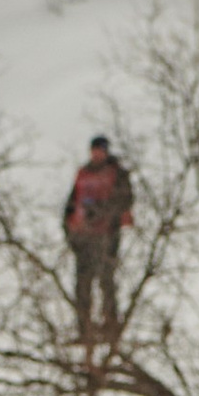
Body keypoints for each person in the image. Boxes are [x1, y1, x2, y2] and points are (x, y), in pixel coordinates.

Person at [65, 130, 135, 346]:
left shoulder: (117, 174)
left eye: (100, 150)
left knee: (106, 283)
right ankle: (84, 329)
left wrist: (101, 211)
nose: (97, 154)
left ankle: (110, 328)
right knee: (83, 285)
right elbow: (71, 204)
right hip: (83, 237)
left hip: (107, 236)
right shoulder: (83, 173)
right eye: (94, 150)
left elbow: (125, 200)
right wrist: (69, 231)